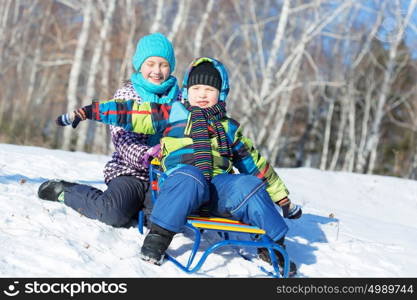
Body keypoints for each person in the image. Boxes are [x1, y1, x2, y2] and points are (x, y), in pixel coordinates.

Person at [55, 57, 302, 276]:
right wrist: (87, 112)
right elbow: (130, 112)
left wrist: (283, 200)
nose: (202, 94)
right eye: (196, 88)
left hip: (217, 188)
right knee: (190, 176)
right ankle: (159, 237)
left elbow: (255, 165)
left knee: (249, 184)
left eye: (209, 89)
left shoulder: (228, 128)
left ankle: (273, 245)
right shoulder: (173, 112)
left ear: (222, 93)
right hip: (177, 183)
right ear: (187, 90)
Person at [38, 33, 180, 227]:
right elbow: (122, 139)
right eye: (151, 64)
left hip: (164, 175)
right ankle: (66, 191)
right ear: (140, 65)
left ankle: (138, 210)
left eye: (163, 64)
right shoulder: (127, 94)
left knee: (164, 220)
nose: (157, 70)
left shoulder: (179, 98)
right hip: (130, 171)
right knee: (112, 213)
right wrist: (147, 153)